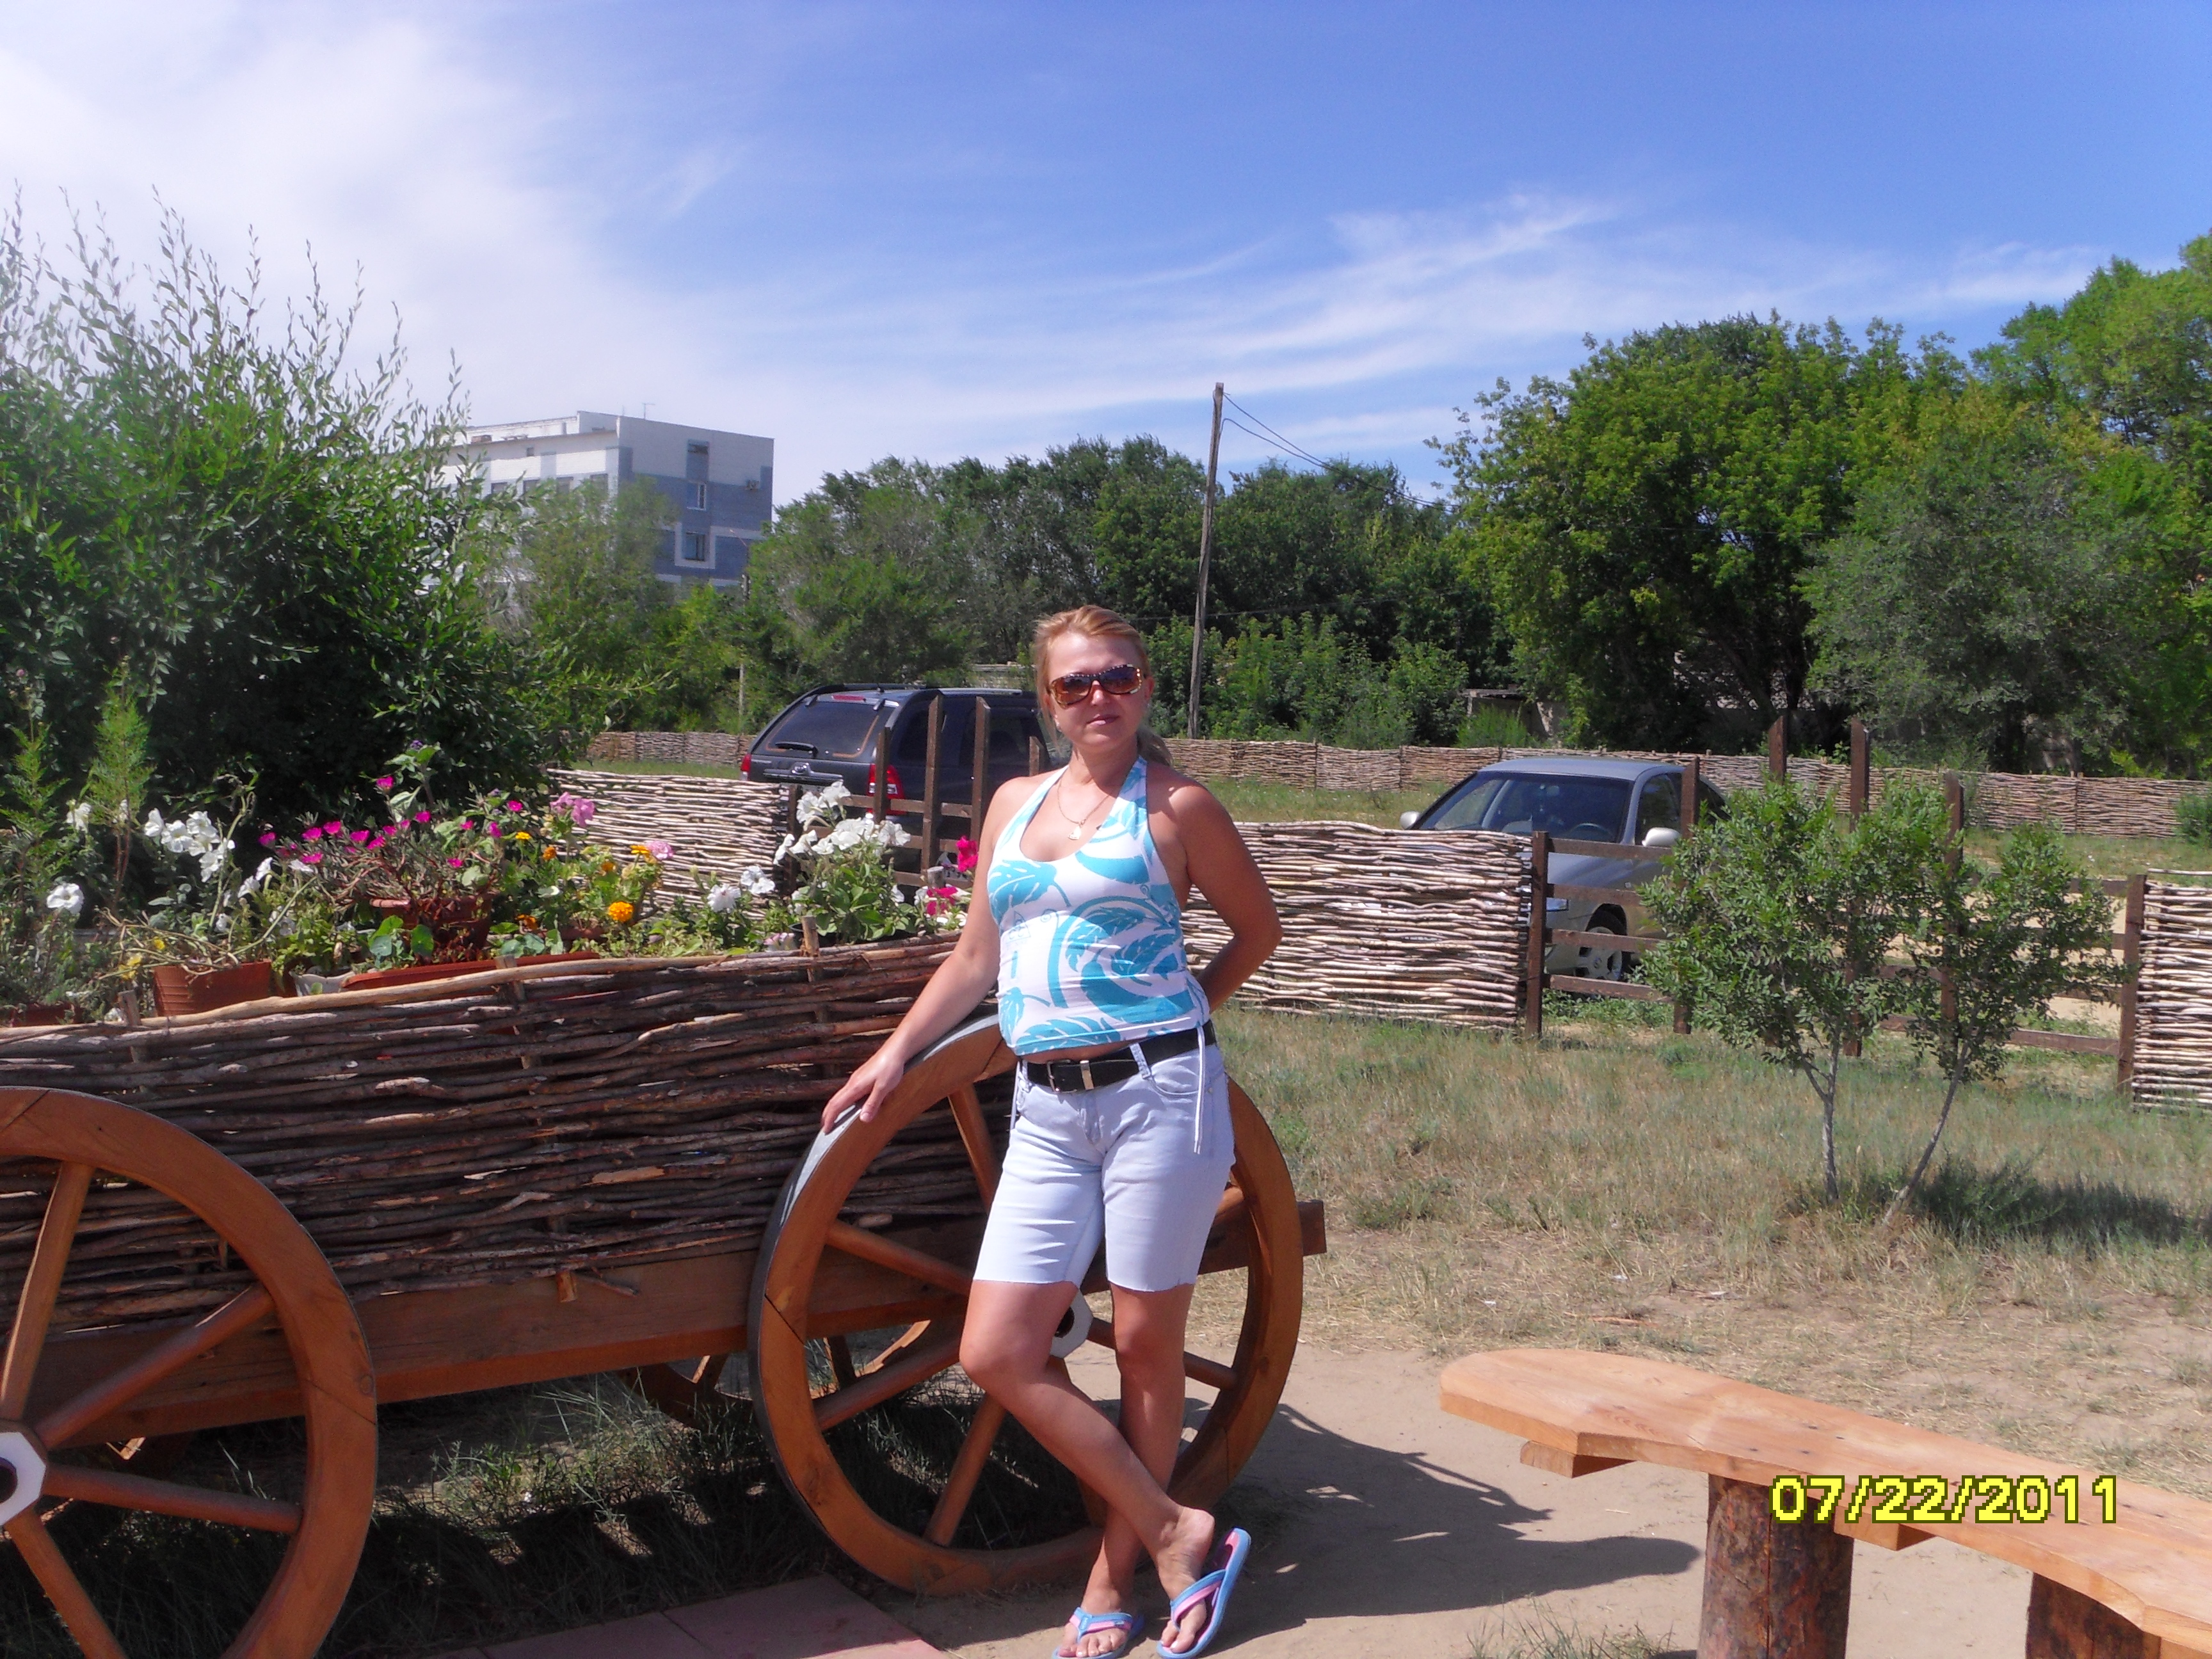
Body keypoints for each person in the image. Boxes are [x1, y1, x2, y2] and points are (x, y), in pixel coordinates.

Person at [822, 604, 1283, 1658]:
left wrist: (1181, 1019)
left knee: (1147, 1344)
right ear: (1049, 700)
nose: (1099, 696)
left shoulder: (1179, 807)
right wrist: (894, 1055)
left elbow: (1258, 930)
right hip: (1043, 1106)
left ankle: (1114, 1579)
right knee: (996, 1350)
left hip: (1160, 1098)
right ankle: (1177, 1528)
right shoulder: (1013, 804)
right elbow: (975, 959)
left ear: (1146, 687)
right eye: (1077, 683)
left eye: (1117, 677)